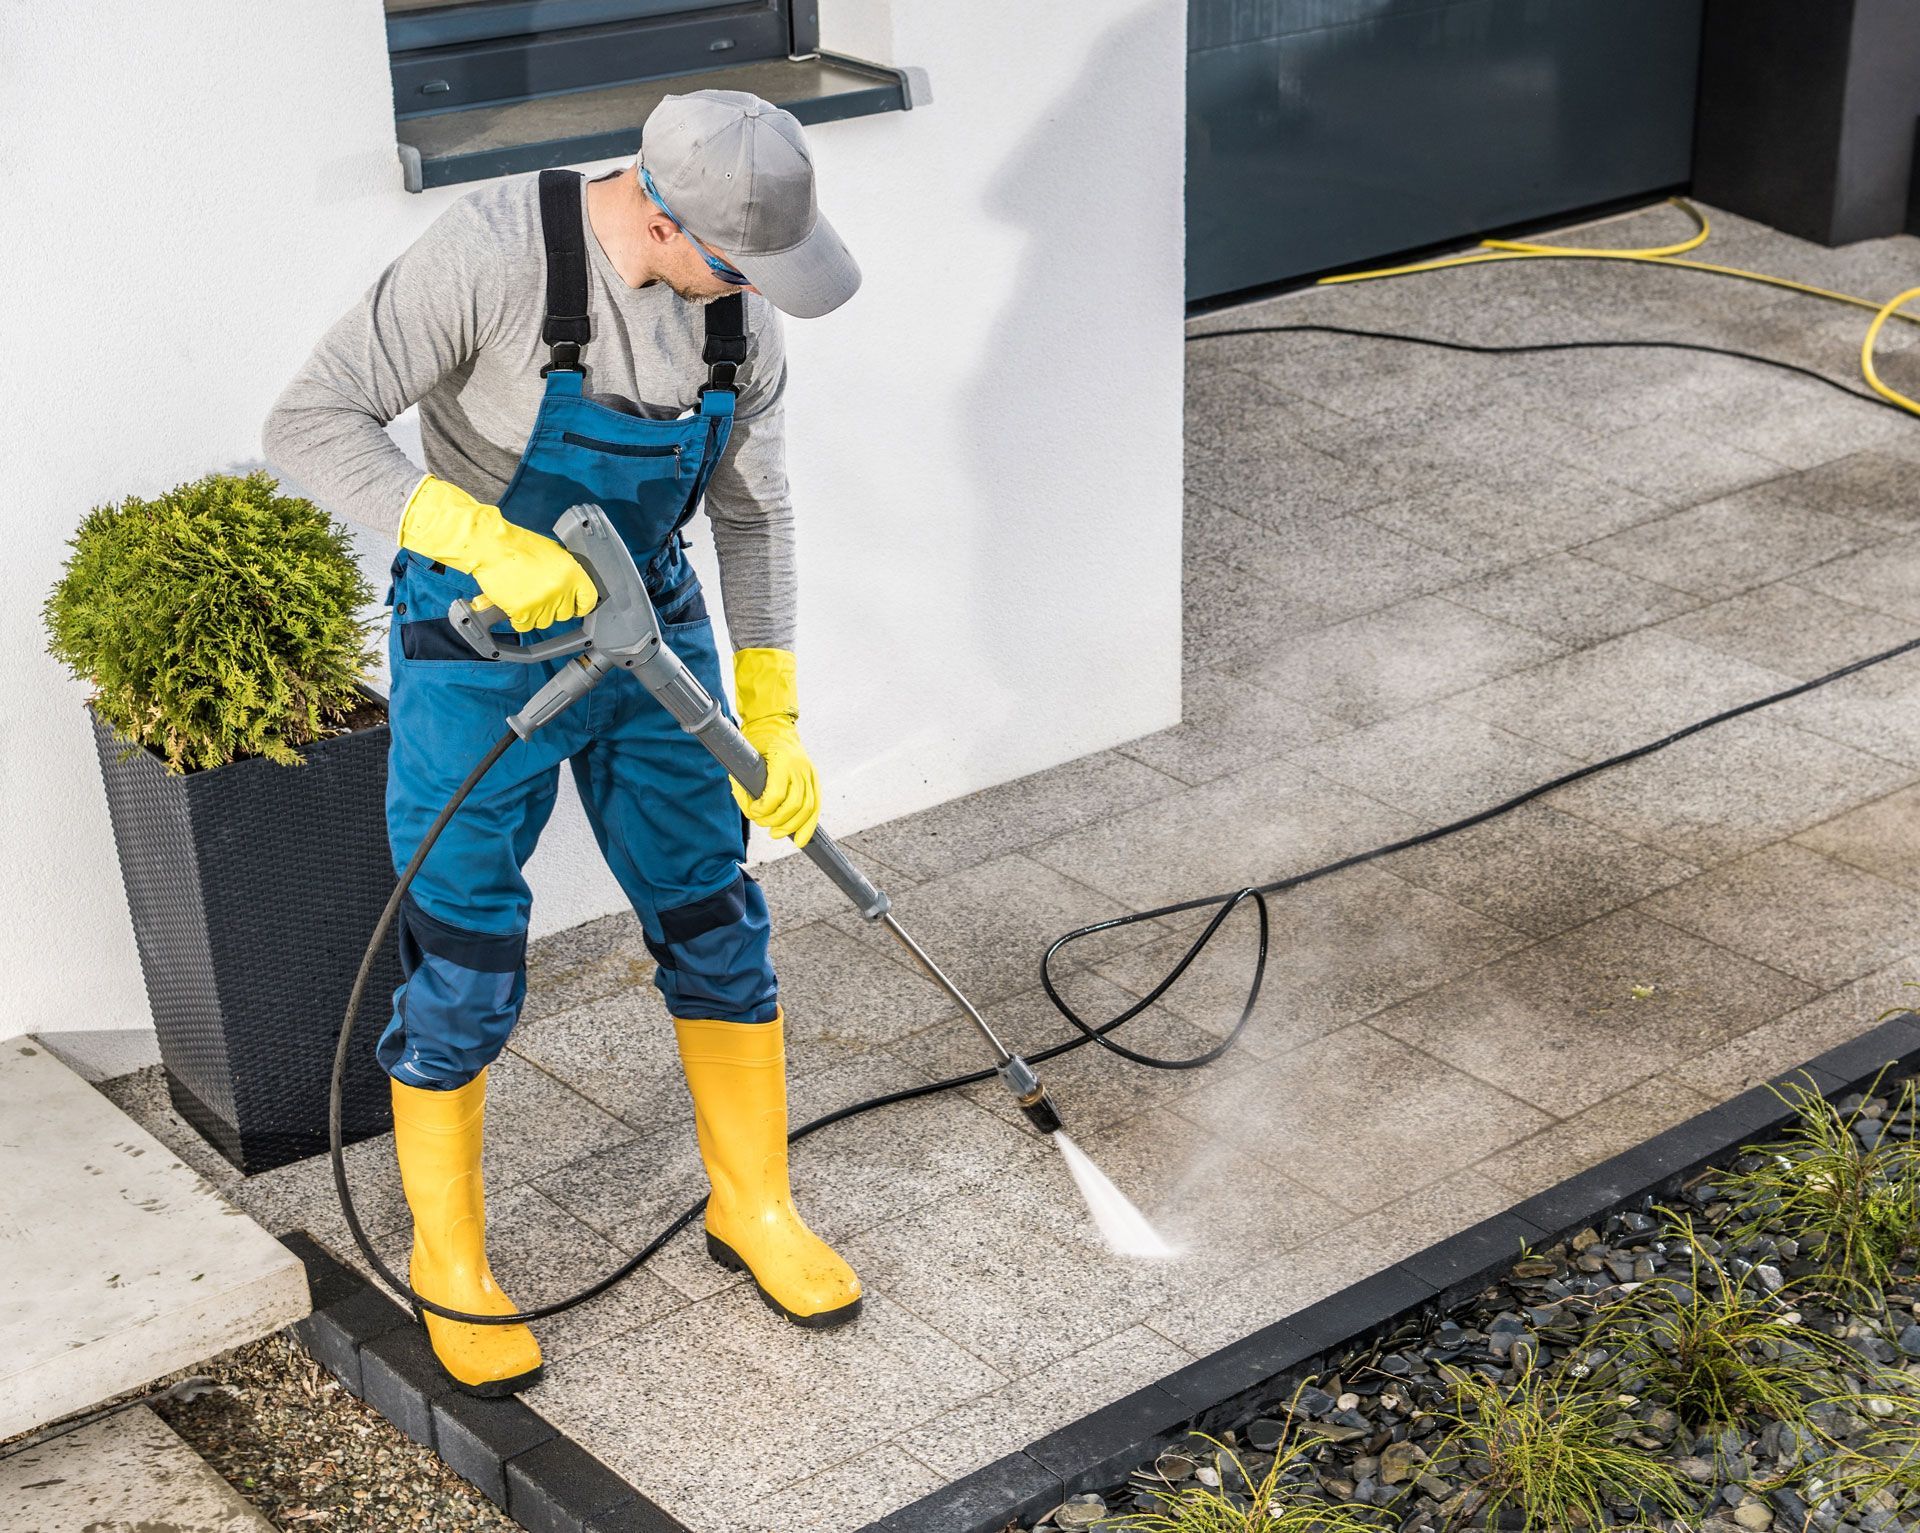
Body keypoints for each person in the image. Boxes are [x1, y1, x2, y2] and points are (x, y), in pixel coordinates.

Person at [263, 88, 863, 1397]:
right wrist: (474, 535)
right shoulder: (488, 256)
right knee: (466, 957)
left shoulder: (740, 314)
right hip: (479, 647)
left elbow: (755, 513)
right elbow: (307, 422)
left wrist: (771, 702)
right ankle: (451, 1259)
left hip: (654, 629)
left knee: (714, 913)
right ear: (663, 219)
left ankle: (752, 1204)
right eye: (738, 265)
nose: (754, 294)